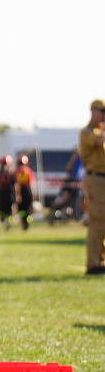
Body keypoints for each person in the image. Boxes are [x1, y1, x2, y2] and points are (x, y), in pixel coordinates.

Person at [79, 99, 105, 274]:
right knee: (97, 219)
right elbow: (98, 142)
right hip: (95, 180)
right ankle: (93, 263)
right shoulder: (87, 132)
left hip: (102, 180)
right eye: (102, 111)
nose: (103, 114)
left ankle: (100, 260)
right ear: (93, 111)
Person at [14, 154, 36, 230]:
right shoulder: (21, 172)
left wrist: (32, 195)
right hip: (24, 191)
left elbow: (30, 184)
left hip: (26, 191)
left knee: (26, 209)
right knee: (22, 209)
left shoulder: (27, 172)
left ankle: (25, 224)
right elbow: (17, 184)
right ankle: (24, 224)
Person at [0, 155, 16, 229]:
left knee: (9, 209)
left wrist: (16, 195)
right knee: (2, 210)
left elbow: (14, 185)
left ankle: (7, 222)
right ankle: (4, 221)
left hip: (9, 194)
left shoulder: (12, 173)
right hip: (2, 194)